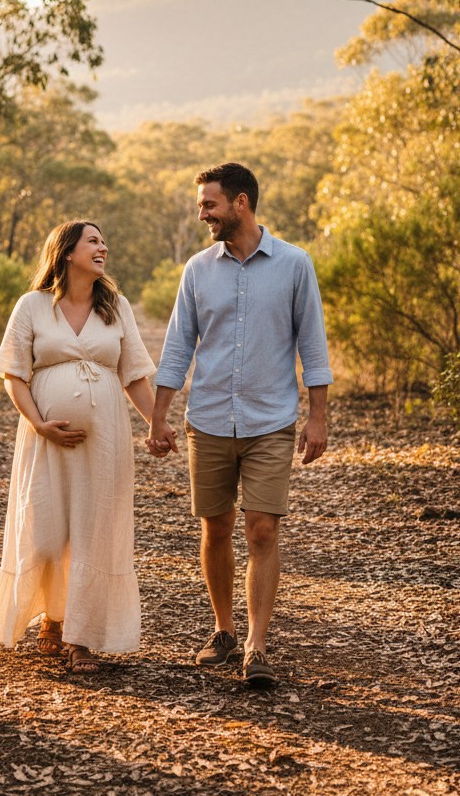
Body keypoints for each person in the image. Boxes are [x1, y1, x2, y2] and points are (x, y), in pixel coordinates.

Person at [147, 163, 332, 688]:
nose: (202, 213)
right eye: (202, 204)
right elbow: (178, 347)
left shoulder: (295, 265)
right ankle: (223, 631)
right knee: (216, 527)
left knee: (263, 528)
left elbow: (312, 346)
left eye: (209, 205)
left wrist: (317, 418)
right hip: (207, 421)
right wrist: (159, 417)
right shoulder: (197, 270)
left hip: (270, 421)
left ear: (241, 203)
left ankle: (256, 645)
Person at [0, 220, 156, 672]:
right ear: (66, 252)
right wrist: (40, 424)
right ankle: (51, 614)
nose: (104, 247)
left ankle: (78, 637)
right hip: (45, 440)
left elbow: (135, 374)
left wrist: (158, 425)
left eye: (104, 240)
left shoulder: (115, 308)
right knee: (45, 536)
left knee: (92, 535)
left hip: (105, 444)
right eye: (94, 241)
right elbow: (14, 375)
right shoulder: (32, 306)